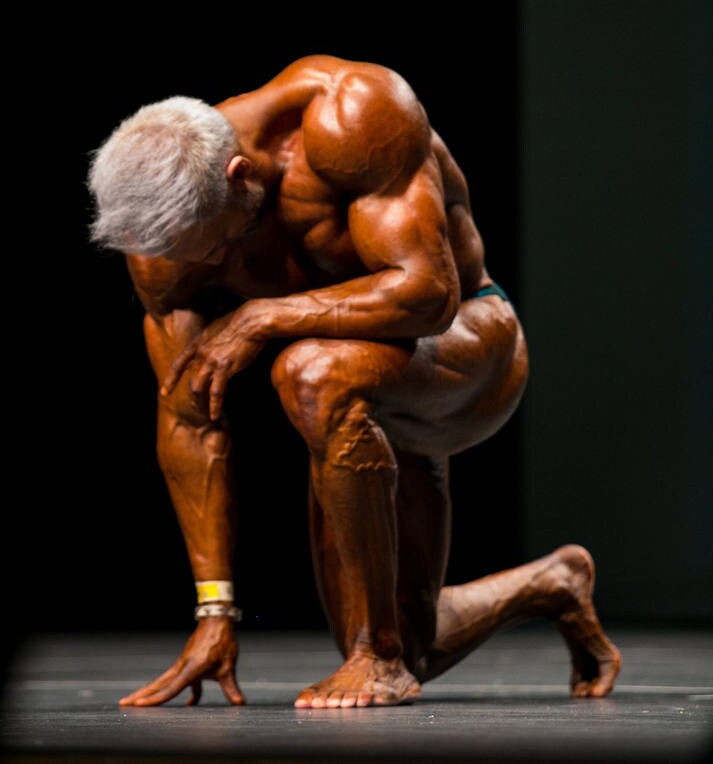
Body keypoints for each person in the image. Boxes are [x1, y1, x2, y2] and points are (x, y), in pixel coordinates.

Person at [89, 55, 621, 709]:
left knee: (307, 368)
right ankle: (551, 583)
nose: (205, 266)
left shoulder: (349, 114)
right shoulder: (164, 251)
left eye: (211, 246)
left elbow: (427, 293)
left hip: (466, 350)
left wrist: (264, 315)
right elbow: (187, 419)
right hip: (349, 395)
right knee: (415, 641)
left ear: (238, 177)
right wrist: (214, 610)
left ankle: (379, 658)